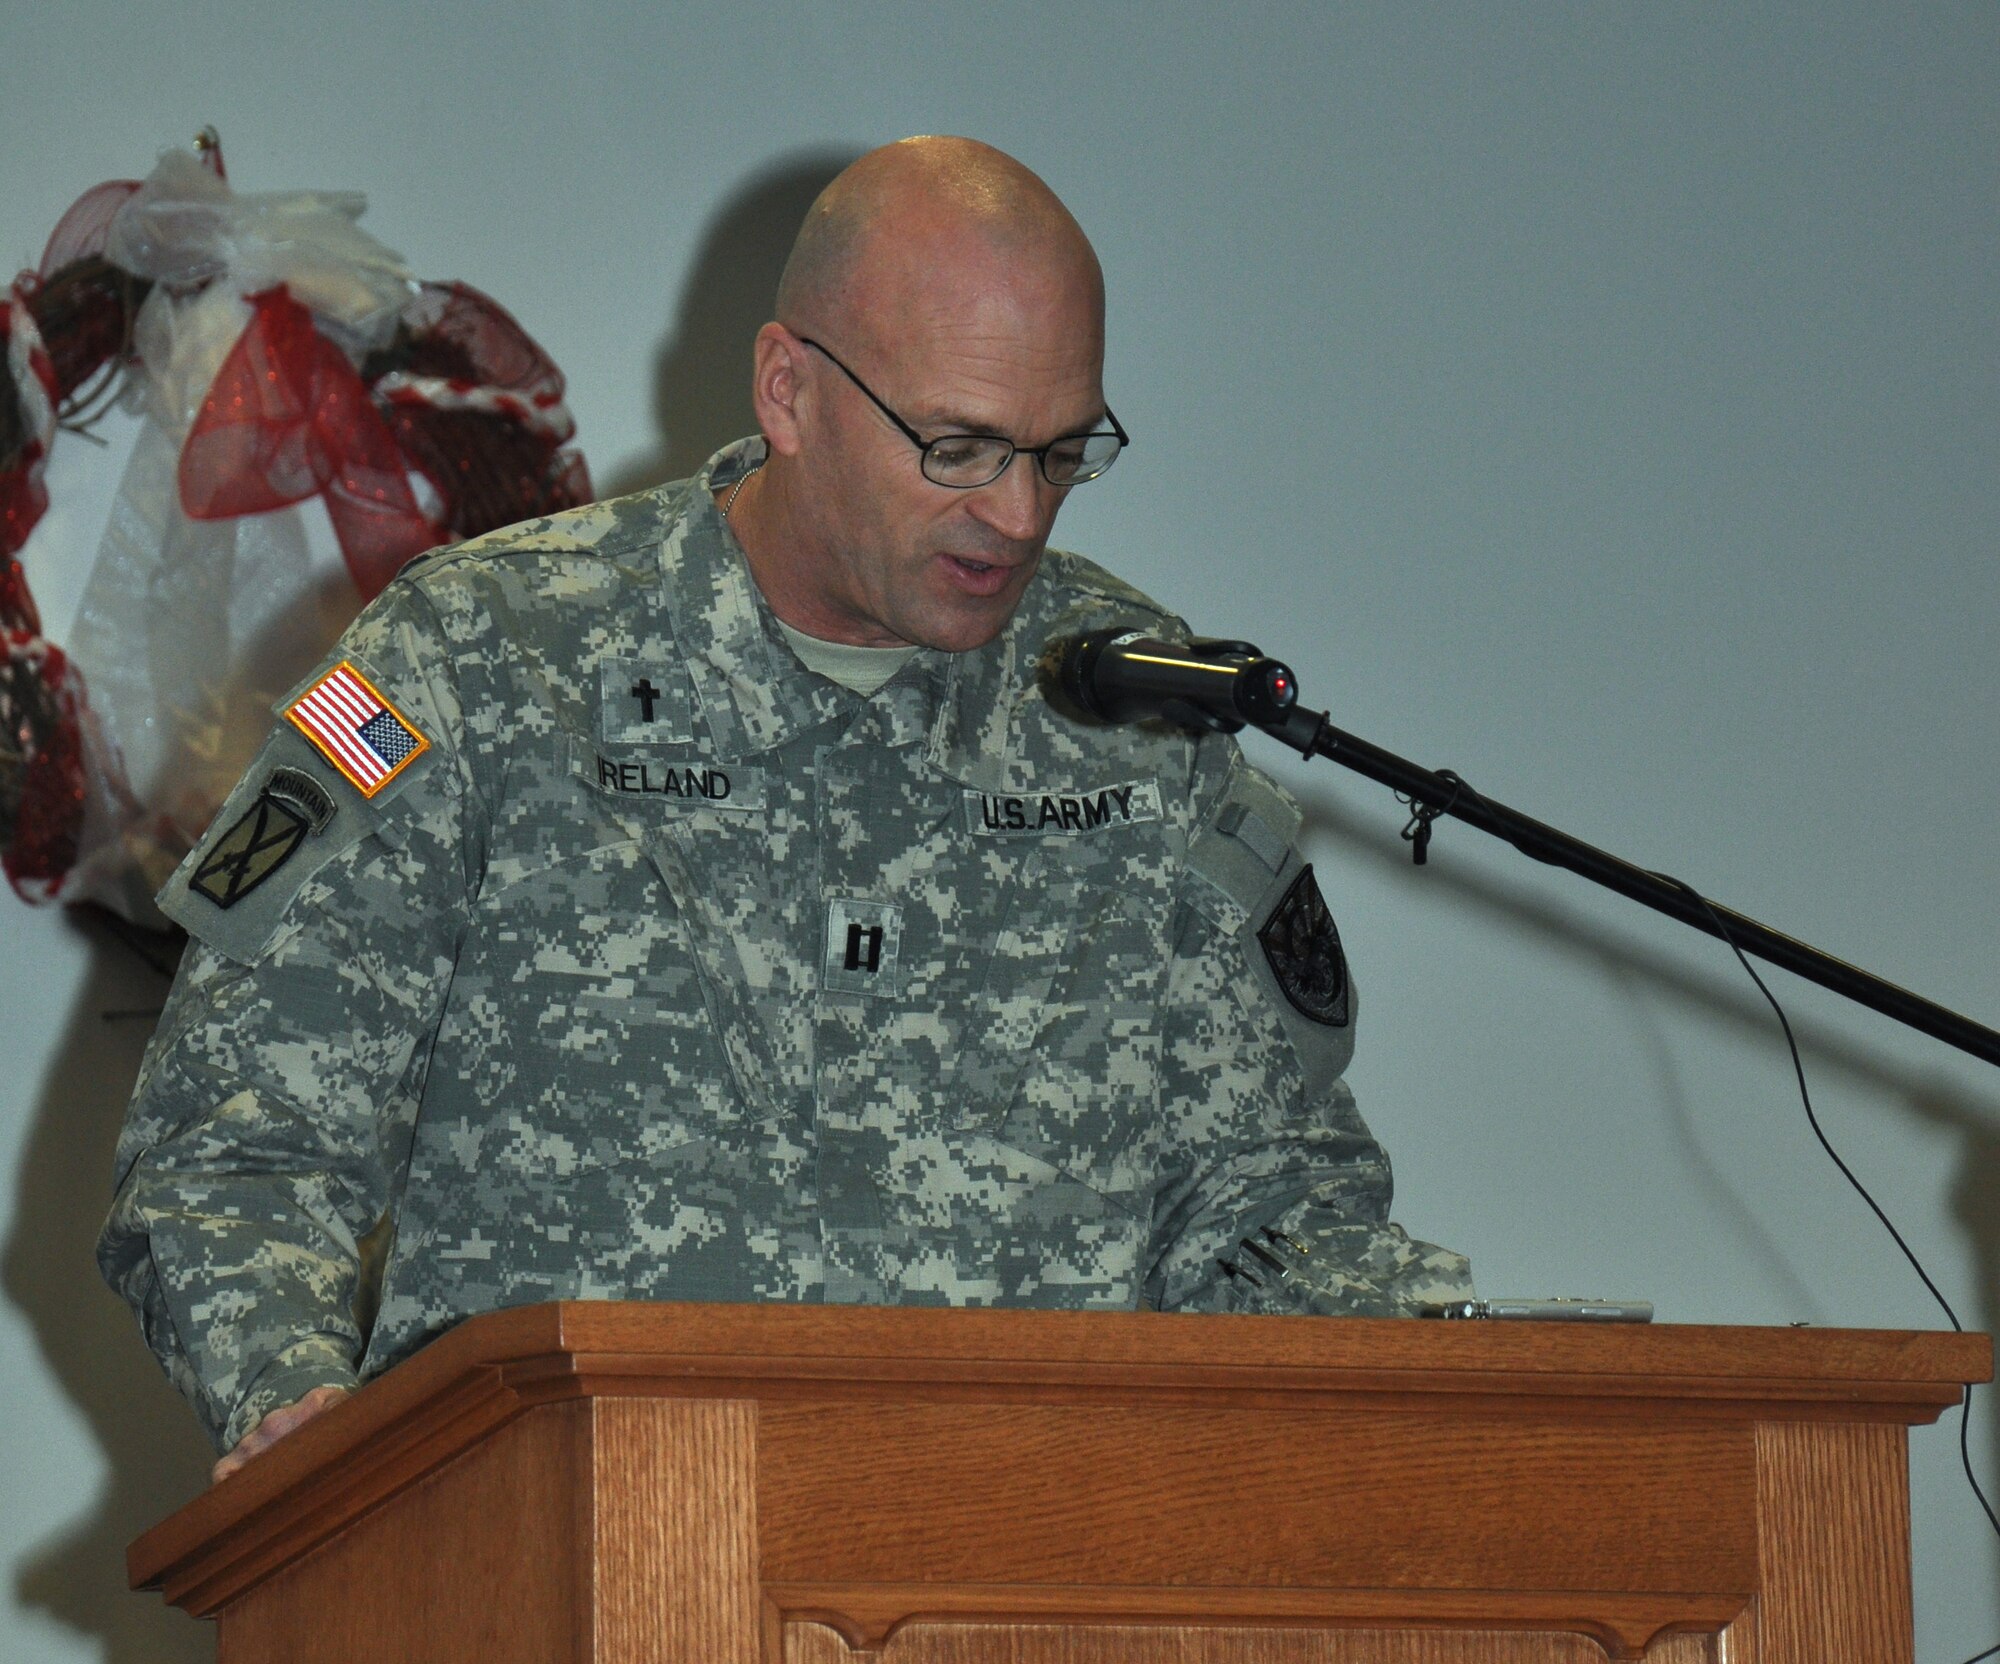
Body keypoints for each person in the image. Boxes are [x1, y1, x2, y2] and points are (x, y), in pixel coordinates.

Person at [99, 137, 1473, 1485]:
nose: (1017, 512)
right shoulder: (482, 662)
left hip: (1032, 1573)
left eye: (1063, 453)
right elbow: (235, 1141)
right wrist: (300, 1420)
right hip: (568, 1570)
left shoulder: (1134, 708)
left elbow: (1272, 1206)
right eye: (959, 444)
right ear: (790, 391)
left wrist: (1446, 1380)